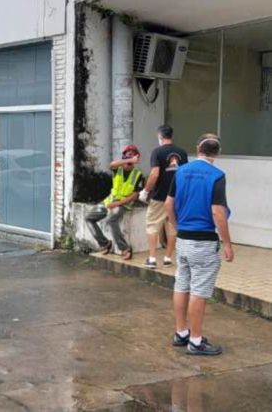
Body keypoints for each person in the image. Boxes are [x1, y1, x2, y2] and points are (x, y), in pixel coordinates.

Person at [166, 133, 234, 356]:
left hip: (183, 240)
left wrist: (177, 228)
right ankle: (195, 341)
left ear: (198, 149)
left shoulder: (181, 171)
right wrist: (227, 244)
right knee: (199, 290)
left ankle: (181, 333)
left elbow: (169, 204)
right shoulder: (217, 175)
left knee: (181, 284)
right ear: (218, 154)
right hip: (203, 242)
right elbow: (217, 212)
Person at [140, 125, 188, 269]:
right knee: (172, 227)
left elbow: (154, 174)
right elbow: (185, 174)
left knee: (152, 225)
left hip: (160, 196)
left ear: (159, 136)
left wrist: (145, 191)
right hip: (176, 197)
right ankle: (168, 258)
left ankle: (152, 259)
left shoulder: (157, 152)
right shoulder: (182, 152)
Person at [85, 145, 144, 260]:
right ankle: (105, 244)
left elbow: (134, 196)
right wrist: (129, 160)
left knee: (112, 220)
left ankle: (125, 248)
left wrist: (117, 204)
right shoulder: (118, 168)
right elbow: (111, 164)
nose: (130, 156)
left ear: (137, 158)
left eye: (133, 154)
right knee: (89, 218)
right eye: (128, 154)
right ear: (124, 156)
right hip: (110, 200)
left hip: (123, 203)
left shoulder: (138, 174)